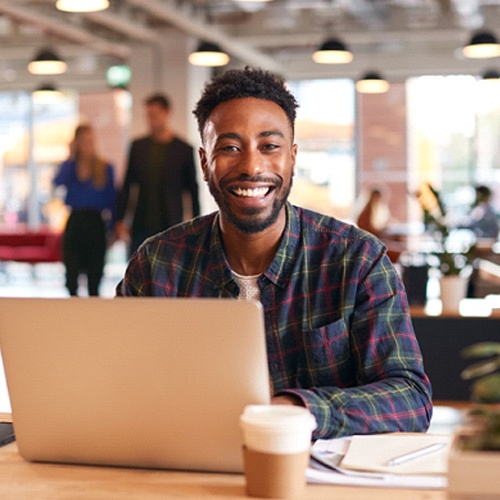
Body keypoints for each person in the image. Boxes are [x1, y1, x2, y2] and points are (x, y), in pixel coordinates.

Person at [116, 67, 432, 440]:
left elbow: (410, 397)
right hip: (189, 471)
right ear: (204, 163)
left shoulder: (358, 260)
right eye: (230, 148)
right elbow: (116, 383)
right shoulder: (157, 265)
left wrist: (298, 410)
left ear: (292, 157)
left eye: (269, 146)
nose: (252, 166)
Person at [116, 93, 200, 257]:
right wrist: (120, 219)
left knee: (169, 271)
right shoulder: (138, 147)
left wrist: (197, 226)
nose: (150, 119)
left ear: (166, 113)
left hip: (171, 223)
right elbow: (127, 185)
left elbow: (192, 191)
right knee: (139, 268)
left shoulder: (183, 149)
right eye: (148, 115)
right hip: (141, 222)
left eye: (154, 115)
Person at [54, 124, 116, 296]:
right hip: (75, 222)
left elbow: (112, 201)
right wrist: (71, 156)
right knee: (71, 277)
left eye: (89, 141)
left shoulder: (105, 168)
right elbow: (57, 181)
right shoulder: (71, 167)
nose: (87, 145)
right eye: (82, 141)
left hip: (95, 224)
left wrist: (112, 230)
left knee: (94, 277)